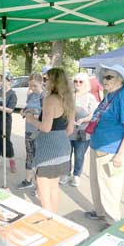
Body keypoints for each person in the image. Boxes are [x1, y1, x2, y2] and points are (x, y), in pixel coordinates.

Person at [85, 64, 124, 227]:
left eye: (109, 77)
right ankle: (100, 212)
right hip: (97, 146)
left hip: (111, 151)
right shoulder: (110, 95)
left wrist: (120, 155)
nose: (104, 80)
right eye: (104, 77)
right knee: (96, 183)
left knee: (110, 188)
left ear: (120, 80)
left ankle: (112, 221)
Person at [26, 68, 75, 212]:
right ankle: (55, 219)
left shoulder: (50, 99)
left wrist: (31, 119)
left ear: (53, 81)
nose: (45, 82)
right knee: (54, 186)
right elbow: (70, 130)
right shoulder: (69, 99)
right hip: (63, 146)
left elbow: (46, 128)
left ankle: (48, 221)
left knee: (43, 188)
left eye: (47, 79)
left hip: (48, 148)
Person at [59, 72, 97, 187]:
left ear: (86, 83)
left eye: (81, 81)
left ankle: (76, 176)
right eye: (76, 81)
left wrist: (83, 120)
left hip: (83, 131)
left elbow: (94, 114)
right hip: (68, 130)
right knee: (66, 154)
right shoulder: (69, 95)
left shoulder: (90, 97)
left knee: (79, 155)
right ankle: (66, 174)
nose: (78, 84)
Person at [17, 73, 44, 190]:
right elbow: (27, 107)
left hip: (40, 130)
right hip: (29, 128)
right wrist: (24, 112)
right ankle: (28, 180)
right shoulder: (31, 95)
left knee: (40, 157)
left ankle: (41, 185)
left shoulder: (46, 96)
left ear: (41, 83)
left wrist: (36, 114)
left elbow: (47, 115)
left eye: (35, 86)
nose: (32, 89)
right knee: (29, 155)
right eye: (30, 86)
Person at [0, 74, 18, 172]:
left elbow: (10, 110)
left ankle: (12, 162)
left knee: (6, 140)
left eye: (4, 80)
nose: (2, 82)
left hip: (5, 119)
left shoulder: (12, 94)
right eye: (1, 80)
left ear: (9, 81)